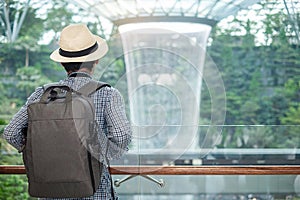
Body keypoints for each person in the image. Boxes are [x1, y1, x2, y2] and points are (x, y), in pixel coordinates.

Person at [3, 24, 132, 199]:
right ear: (96, 60)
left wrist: (39, 149)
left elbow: (11, 132)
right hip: (95, 192)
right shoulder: (107, 94)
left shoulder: (42, 94)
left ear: (63, 62)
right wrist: (95, 154)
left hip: (50, 193)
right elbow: (121, 136)